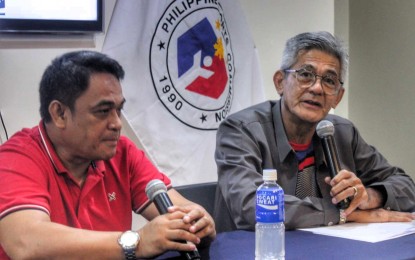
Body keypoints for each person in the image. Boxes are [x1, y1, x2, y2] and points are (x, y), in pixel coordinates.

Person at [0, 51, 216, 259]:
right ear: (60, 114)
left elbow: (178, 210)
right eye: (103, 111)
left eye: (119, 110)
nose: (117, 123)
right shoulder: (16, 158)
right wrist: (137, 241)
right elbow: (25, 243)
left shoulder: (121, 152)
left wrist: (196, 220)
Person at [213, 31, 415, 232]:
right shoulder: (241, 131)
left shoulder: (343, 133)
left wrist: (368, 197)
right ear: (280, 82)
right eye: (305, 74)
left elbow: (406, 186)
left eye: (329, 80)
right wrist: (342, 214)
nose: (317, 88)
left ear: (338, 96)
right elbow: (251, 207)